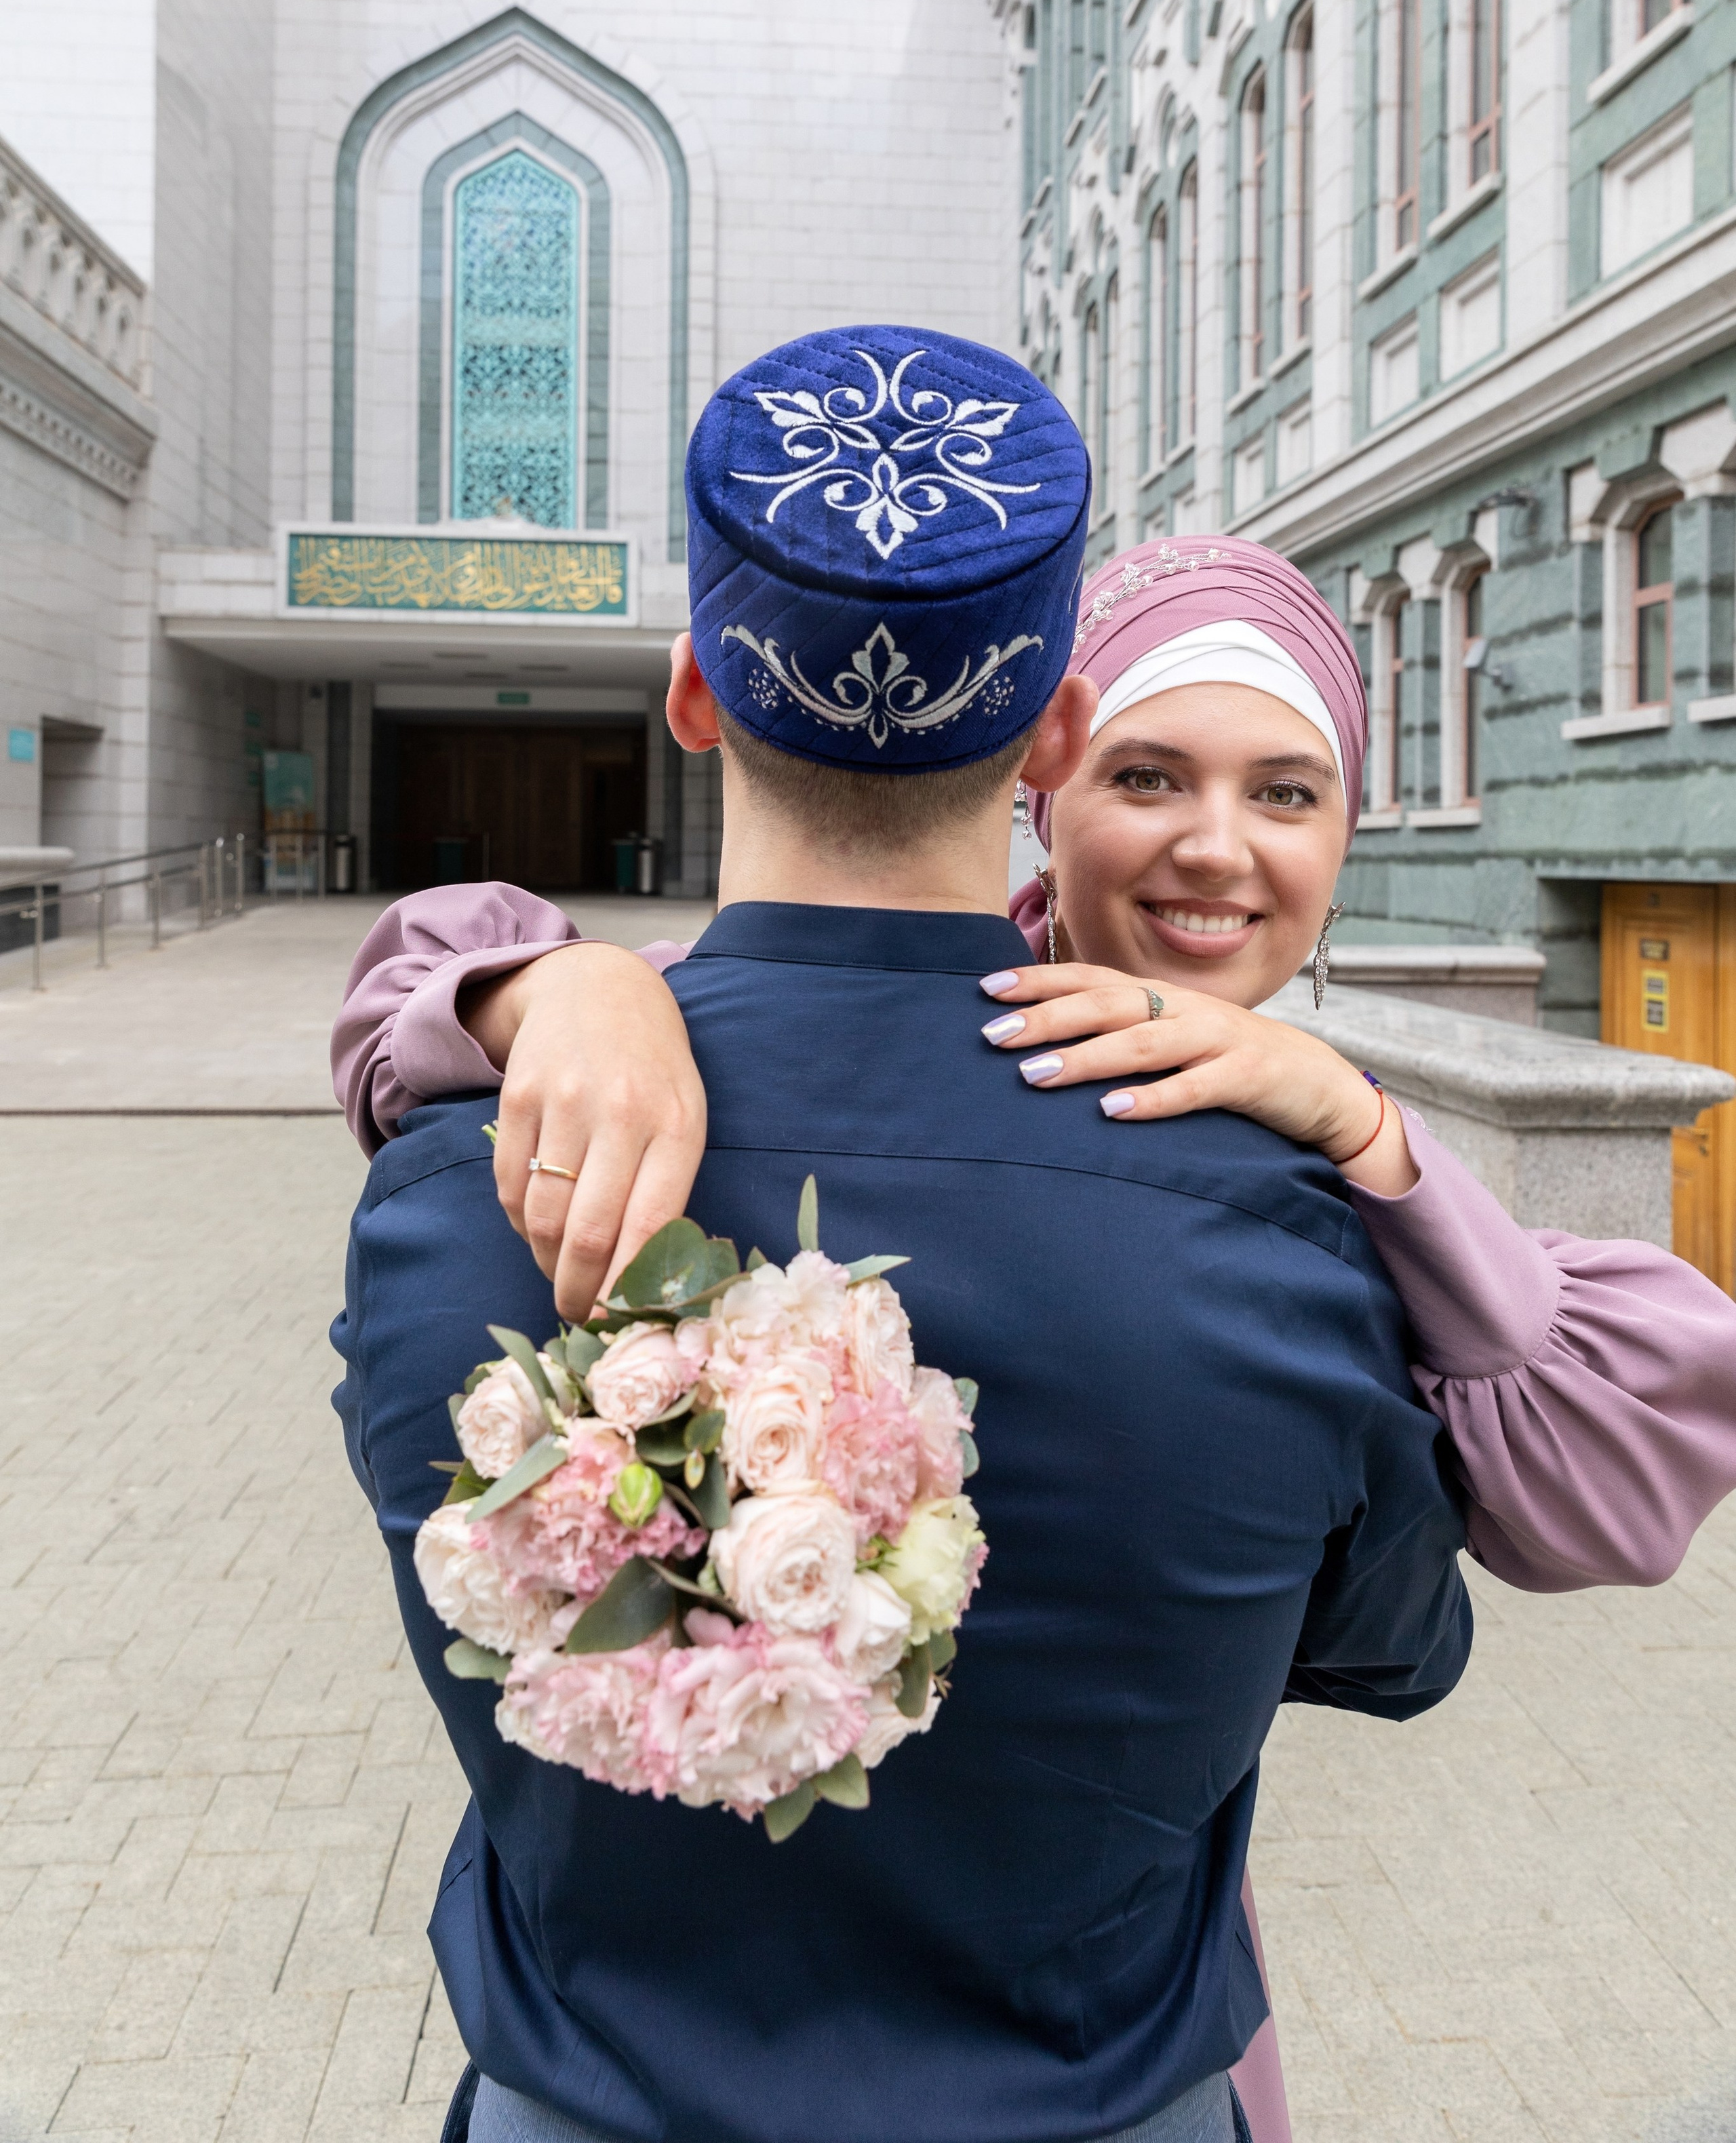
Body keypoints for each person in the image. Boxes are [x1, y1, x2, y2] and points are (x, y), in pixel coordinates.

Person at [332, 530, 1736, 2143]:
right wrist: (553, 984)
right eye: (1150, 775)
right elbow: (1392, 1642)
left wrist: (1363, 1127)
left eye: (1287, 792)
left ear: (697, 697)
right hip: (1088, 2064)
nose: (1214, 850)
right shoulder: (1282, 1243)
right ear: (1047, 755)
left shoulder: (472, 1169)